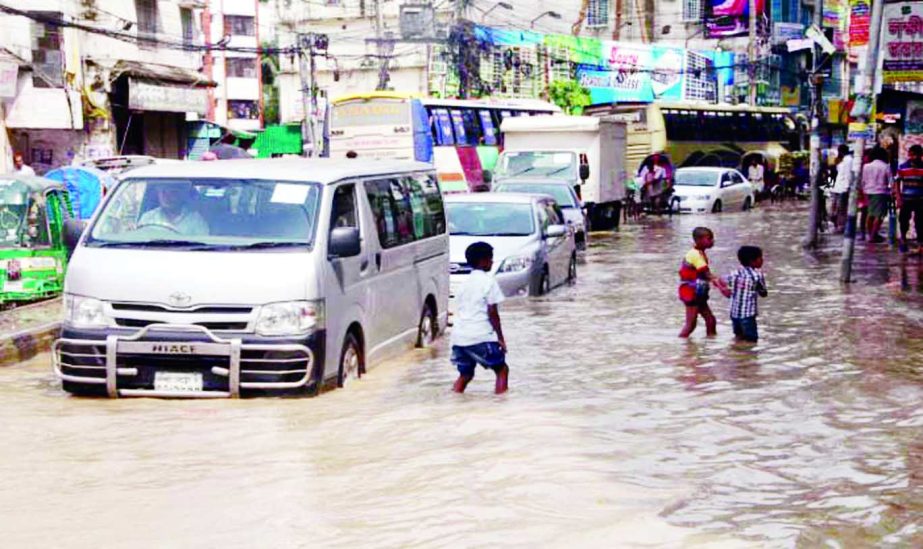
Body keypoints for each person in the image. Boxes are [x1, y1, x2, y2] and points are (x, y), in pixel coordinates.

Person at [451, 242, 509, 394]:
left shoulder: (464, 284)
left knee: (465, 374)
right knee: (502, 369)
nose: (491, 262)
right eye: (490, 259)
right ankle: (501, 404)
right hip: (480, 336)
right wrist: (500, 338)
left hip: (459, 338)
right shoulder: (488, 282)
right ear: (483, 261)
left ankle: (453, 399)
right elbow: (492, 313)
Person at [678, 227, 730, 338]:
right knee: (691, 324)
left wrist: (721, 283)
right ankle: (682, 344)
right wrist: (723, 288)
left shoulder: (699, 253)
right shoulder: (695, 255)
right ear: (699, 240)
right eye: (709, 238)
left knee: (710, 320)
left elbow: (707, 275)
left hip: (698, 291)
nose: (712, 241)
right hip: (691, 292)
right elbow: (707, 275)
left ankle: (710, 343)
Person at [725, 246, 768, 343]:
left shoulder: (733, 273)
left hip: (734, 314)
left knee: (738, 337)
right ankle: (748, 357)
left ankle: (738, 354)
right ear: (752, 261)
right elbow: (763, 293)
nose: (762, 260)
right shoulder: (757, 275)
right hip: (748, 315)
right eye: (760, 258)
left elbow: (729, 290)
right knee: (751, 341)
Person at [137, 183, 209, 236]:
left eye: (172, 192)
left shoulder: (195, 219)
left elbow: (203, 245)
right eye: (163, 192)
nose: (166, 197)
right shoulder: (148, 217)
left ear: (181, 195)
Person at [860, 146, 892, 244]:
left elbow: (863, 181)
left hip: (867, 192)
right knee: (879, 215)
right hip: (881, 192)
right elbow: (891, 181)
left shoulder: (866, 166)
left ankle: (871, 234)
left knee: (870, 214)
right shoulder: (886, 166)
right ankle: (873, 235)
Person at [895, 144, 923, 253]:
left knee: (920, 222)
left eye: (915, 155)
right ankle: (903, 240)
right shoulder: (903, 167)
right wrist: (898, 197)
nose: (913, 157)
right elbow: (897, 182)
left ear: (921, 155)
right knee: (903, 221)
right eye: (911, 155)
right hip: (906, 199)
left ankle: (920, 244)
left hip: (920, 199)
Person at [830, 144, 853, 233]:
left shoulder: (844, 160)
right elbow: (848, 175)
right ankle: (840, 225)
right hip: (842, 187)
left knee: (838, 207)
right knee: (841, 208)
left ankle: (839, 225)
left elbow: (846, 174)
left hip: (839, 187)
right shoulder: (847, 160)